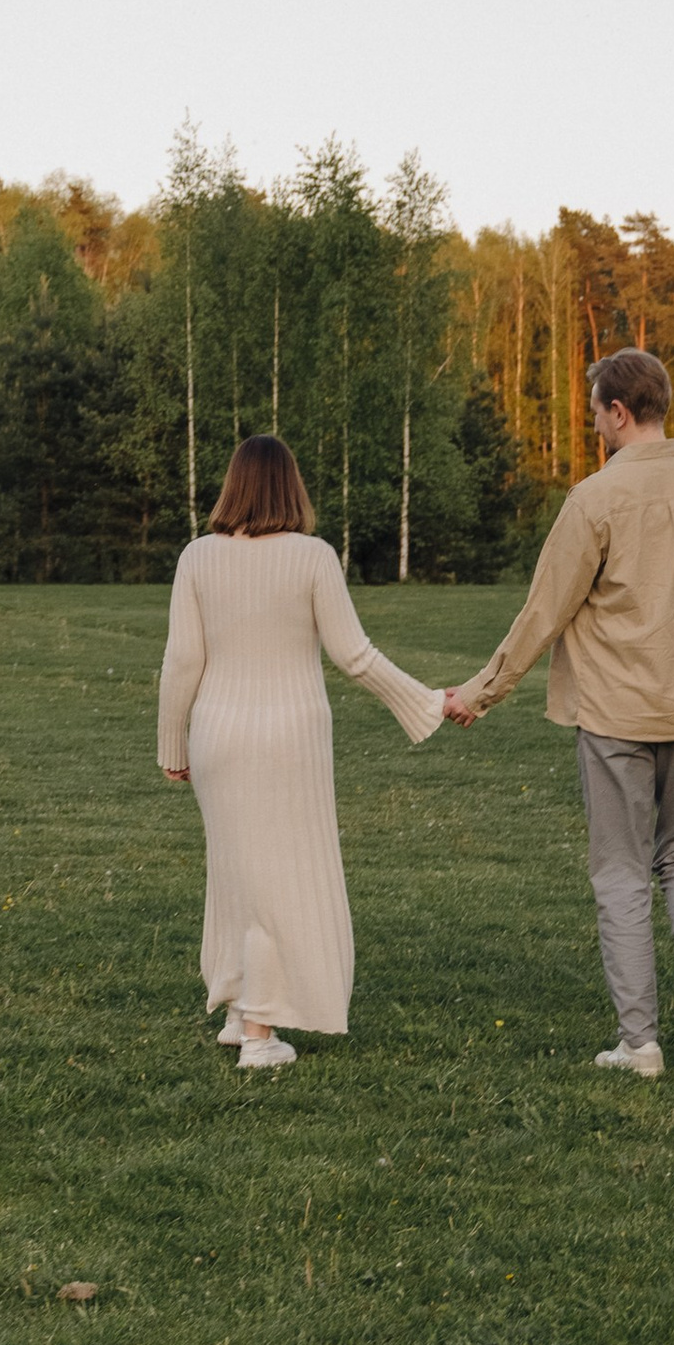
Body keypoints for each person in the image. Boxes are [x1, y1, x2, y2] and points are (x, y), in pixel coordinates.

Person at [442, 347, 674, 1078]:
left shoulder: (594, 500)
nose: (596, 428)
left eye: (595, 415)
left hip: (617, 714)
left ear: (618, 412)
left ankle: (639, 1042)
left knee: (621, 872)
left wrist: (481, 691)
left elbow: (543, 611)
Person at [158, 433, 445, 1072]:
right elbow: (354, 655)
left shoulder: (197, 557)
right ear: (292, 487)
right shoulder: (313, 557)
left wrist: (171, 742)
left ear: (233, 486)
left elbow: (182, 662)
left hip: (218, 737)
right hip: (288, 742)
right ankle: (260, 1035)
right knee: (277, 881)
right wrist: (425, 702)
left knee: (239, 872)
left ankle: (238, 1012)